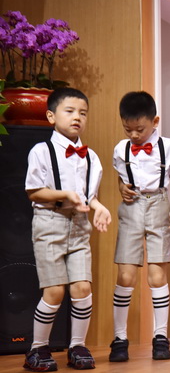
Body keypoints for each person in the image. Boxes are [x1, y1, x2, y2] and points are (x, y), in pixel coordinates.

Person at [24, 88, 111, 371]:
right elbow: (34, 191)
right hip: (50, 223)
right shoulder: (41, 151)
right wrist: (65, 195)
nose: (77, 117)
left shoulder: (91, 157)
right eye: (70, 111)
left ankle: (77, 346)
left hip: (79, 226)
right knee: (54, 291)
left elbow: (89, 196)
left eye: (83, 113)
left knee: (82, 287)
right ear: (51, 116)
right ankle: (37, 349)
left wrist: (99, 207)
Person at [109, 91, 170, 362]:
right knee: (125, 275)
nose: (134, 135)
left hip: (159, 205)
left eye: (139, 129)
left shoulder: (169, 146)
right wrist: (122, 188)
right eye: (127, 129)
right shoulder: (121, 149)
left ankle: (160, 336)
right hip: (131, 207)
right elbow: (121, 178)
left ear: (155, 121)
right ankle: (120, 338)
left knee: (157, 275)